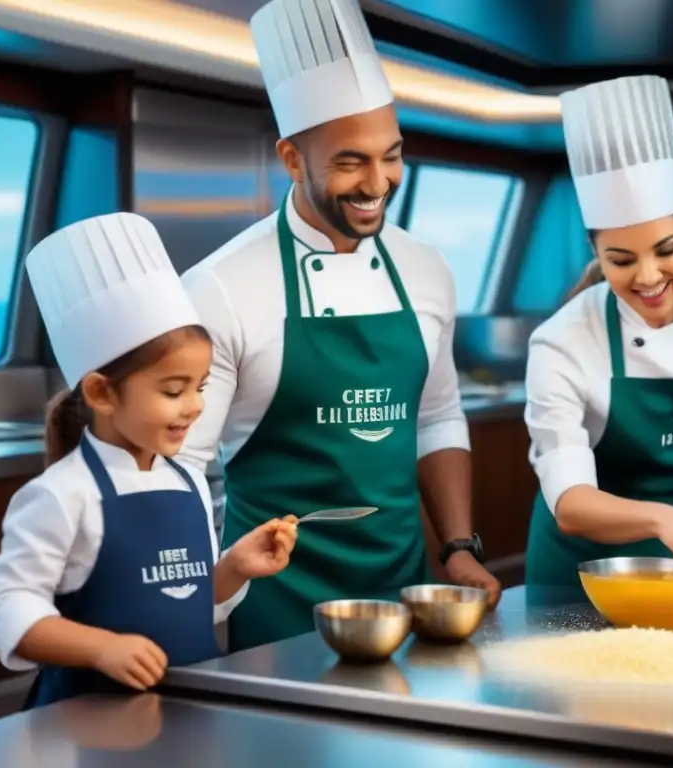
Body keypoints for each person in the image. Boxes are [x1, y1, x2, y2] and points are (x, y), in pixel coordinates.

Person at [178, 0, 500, 651]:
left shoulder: (426, 269)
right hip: (276, 598)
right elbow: (179, 467)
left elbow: (436, 417)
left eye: (392, 156)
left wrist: (458, 547)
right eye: (351, 161)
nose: (378, 182)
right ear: (292, 159)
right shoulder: (222, 286)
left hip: (400, 589)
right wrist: (191, 603)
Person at [0, 213, 298, 709]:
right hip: (87, 723)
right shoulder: (62, 495)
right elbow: (4, 609)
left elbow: (185, 601)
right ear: (102, 393)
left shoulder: (188, 481)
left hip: (187, 714)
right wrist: (101, 648)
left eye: (201, 387)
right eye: (173, 390)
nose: (194, 406)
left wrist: (233, 568)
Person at [522, 75, 673, 587]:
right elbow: (569, 502)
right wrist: (662, 518)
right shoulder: (562, 340)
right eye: (622, 260)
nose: (650, 277)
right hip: (582, 574)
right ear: (596, 253)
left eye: (666, 250)